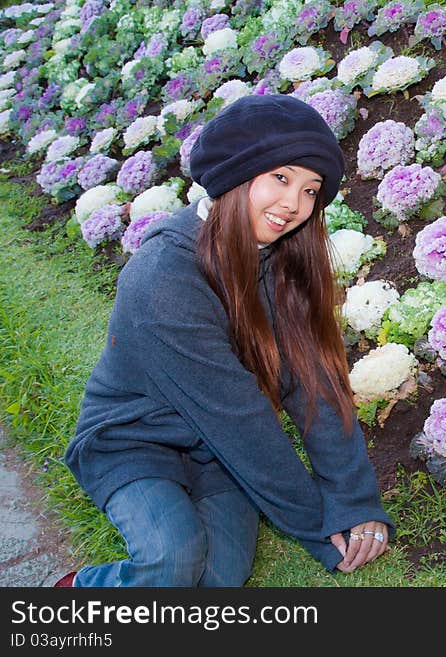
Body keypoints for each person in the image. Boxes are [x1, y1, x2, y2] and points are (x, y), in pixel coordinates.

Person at [60, 94, 393, 587]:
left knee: (219, 581)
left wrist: (353, 501)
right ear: (237, 173)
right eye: (281, 178)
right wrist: (321, 531)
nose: (294, 205)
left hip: (214, 455)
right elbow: (241, 422)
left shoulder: (282, 259)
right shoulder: (163, 279)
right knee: (174, 563)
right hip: (134, 441)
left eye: (310, 190)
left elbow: (314, 381)